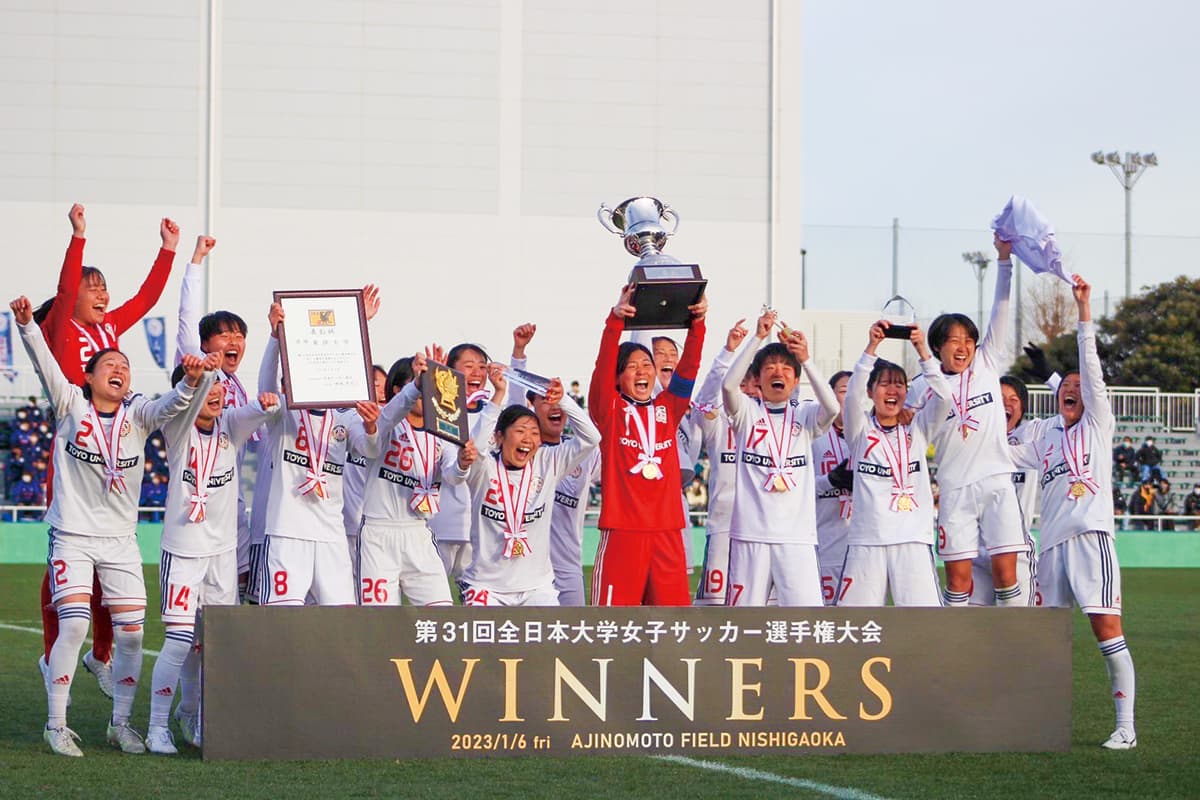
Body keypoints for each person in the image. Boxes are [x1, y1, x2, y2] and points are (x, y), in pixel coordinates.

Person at [13, 294, 213, 757]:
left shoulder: (138, 415)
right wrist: (27, 327)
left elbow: (170, 406)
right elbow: (45, 365)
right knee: (76, 624)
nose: (119, 368)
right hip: (73, 538)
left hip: (121, 542)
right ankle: (56, 724)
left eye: (125, 364)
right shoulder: (71, 406)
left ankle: (120, 724)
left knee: (133, 634)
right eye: (109, 364)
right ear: (88, 377)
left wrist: (192, 383)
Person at [33, 204, 179, 702]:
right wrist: (78, 237)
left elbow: (145, 298)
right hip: (75, 446)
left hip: (113, 444)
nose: (102, 294)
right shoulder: (60, 332)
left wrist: (169, 250)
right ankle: (52, 654)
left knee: (108, 569)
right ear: (70, 298)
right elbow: (69, 285)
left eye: (103, 289)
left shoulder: (108, 332)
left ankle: (101, 654)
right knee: (67, 562)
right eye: (92, 288)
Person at [1010, 275, 1138, 750]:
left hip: (1090, 540)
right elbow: (1002, 454)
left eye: (1079, 387)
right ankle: (1039, 722)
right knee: (1047, 639)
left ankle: (1125, 725)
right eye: (1064, 385)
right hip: (1051, 547)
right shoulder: (1043, 433)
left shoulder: (1097, 424)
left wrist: (1084, 311)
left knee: (1106, 629)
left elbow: (1090, 370)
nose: (1072, 388)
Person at [146, 364, 278, 754]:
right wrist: (194, 380)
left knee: (217, 645)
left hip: (221, 555)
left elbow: (255, 411)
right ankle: (156, 727)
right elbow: (179, 402)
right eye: (209, 386)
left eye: (221, 385)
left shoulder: (229, 428)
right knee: (179, 640)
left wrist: (267, 402)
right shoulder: (177, 427)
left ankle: (203, 721)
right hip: (183, 551)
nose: (218, 392)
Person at [907, 234, 1027, 606]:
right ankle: (952, 654)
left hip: (996, 482)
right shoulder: (920, 386)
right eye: (953, 340)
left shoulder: (987, 366)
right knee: (959, 580)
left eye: (968, 340)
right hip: (954, 488)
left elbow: (1001, 312)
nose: (962, 347)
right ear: (936, 345)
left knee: (1007, 574)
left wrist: (1004, 261)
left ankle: (1011, 649)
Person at [588, 282, 706, 606]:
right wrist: (615, 323)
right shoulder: (610, 410)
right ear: (618, 377)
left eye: (647, 365)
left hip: (668, 532)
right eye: (631, 367)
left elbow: (688, 371)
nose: (642, 371)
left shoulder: (667, 409)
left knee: (672, 628)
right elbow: (601, 370)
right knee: (613, 627)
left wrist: (697, 326)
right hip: (623, 532)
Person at [256, 302, 372, 606]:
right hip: (287, 533)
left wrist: (358, 326)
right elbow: (266, 387)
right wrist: (274, 338)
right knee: (285, 623)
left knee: (341, 622)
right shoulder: (285, 411)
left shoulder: (346, 416)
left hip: (331, 536)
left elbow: (370, 448)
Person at [721, 308, 839, 607]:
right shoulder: (747, 412)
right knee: (743, 619)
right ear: (758, 379)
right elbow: (727, 386)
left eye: (786, 369)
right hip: (751, 534)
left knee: (806, 618)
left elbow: (834, 409)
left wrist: (806, 360)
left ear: (796, 379)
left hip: (796, 537)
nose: (778, 372)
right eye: (770, 367)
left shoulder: (805, 414)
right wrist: (758, 338)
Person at [452, 371, 600, 606]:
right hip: (486, 587)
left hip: (537, 588)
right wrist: (499, 394)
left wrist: (562, 399)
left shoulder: (548, 461)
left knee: (550, 642)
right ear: (499, 437)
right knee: (482, 642)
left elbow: (592, 438)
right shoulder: (485, 467)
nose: (528, 439)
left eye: (534, 433)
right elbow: (476, 449)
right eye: (520, 431)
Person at [835, 321, 949, 606]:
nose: (893, 390)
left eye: (899, 384)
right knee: (856, 624)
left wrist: (922, 349)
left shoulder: (918, 428)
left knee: (923, 626)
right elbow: (851, 396)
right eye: (884, 384)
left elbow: (945, 397)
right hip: (867, 540)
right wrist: (872, 346)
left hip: (912, 540)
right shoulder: (860, 430)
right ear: (872, 392)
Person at [348, 352, 457, 608]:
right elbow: (376, 436)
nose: (425, 392)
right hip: (378, 534)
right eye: (420, 384)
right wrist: (416, 386)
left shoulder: (442, 430)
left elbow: (454, 475)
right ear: (400, 389)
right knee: (380, 624)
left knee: (441, 616)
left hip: (418, 533)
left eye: (429, 386)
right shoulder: (383, 421)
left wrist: (464, 462)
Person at [510, 323, 602, 606]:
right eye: (545, 400)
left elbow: (594, 437)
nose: (555, 407)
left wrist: (566, 399)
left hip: (567, 568)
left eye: (560, 402)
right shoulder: (521, 454)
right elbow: (513, 407)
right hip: (524, 567)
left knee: (573, 642)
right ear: (532, 406)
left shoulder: (580, 454)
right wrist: (519, 353)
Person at [688, 318, 753, 606]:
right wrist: (727, 353)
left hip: (762, 529)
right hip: (724, 526)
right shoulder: (720, 423)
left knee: (763, 609)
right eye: (743, 385)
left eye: (756, 385)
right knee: (714, 609)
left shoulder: (776, 424)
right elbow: (702, 402)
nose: (750, 391)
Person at [967, 376, 1041, 606]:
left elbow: (1079, 413)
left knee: (1014, 629)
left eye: (1013, 399)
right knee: (967, 629)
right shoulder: (971, 437)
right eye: (999, 399)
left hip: (1016, 550)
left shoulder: (1033, 433)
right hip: (976, 551)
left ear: (1023, 407)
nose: (1006, 404)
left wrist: (1053, 379)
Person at [427, 342, 491, 581]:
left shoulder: (494, 415)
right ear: (451, 372)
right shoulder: (437, 412)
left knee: (475, 606)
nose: (477, 372)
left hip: (479, 528)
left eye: (482, 367)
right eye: (469, 366)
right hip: (440, 523)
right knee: (433, 601)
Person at [812, 370, 853, 605]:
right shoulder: (813, 434)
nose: (849, 398)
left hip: (861, 545)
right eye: (844, 391)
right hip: (824, 541)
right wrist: (831, 480)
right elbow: (796, 487)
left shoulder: (869, 435)